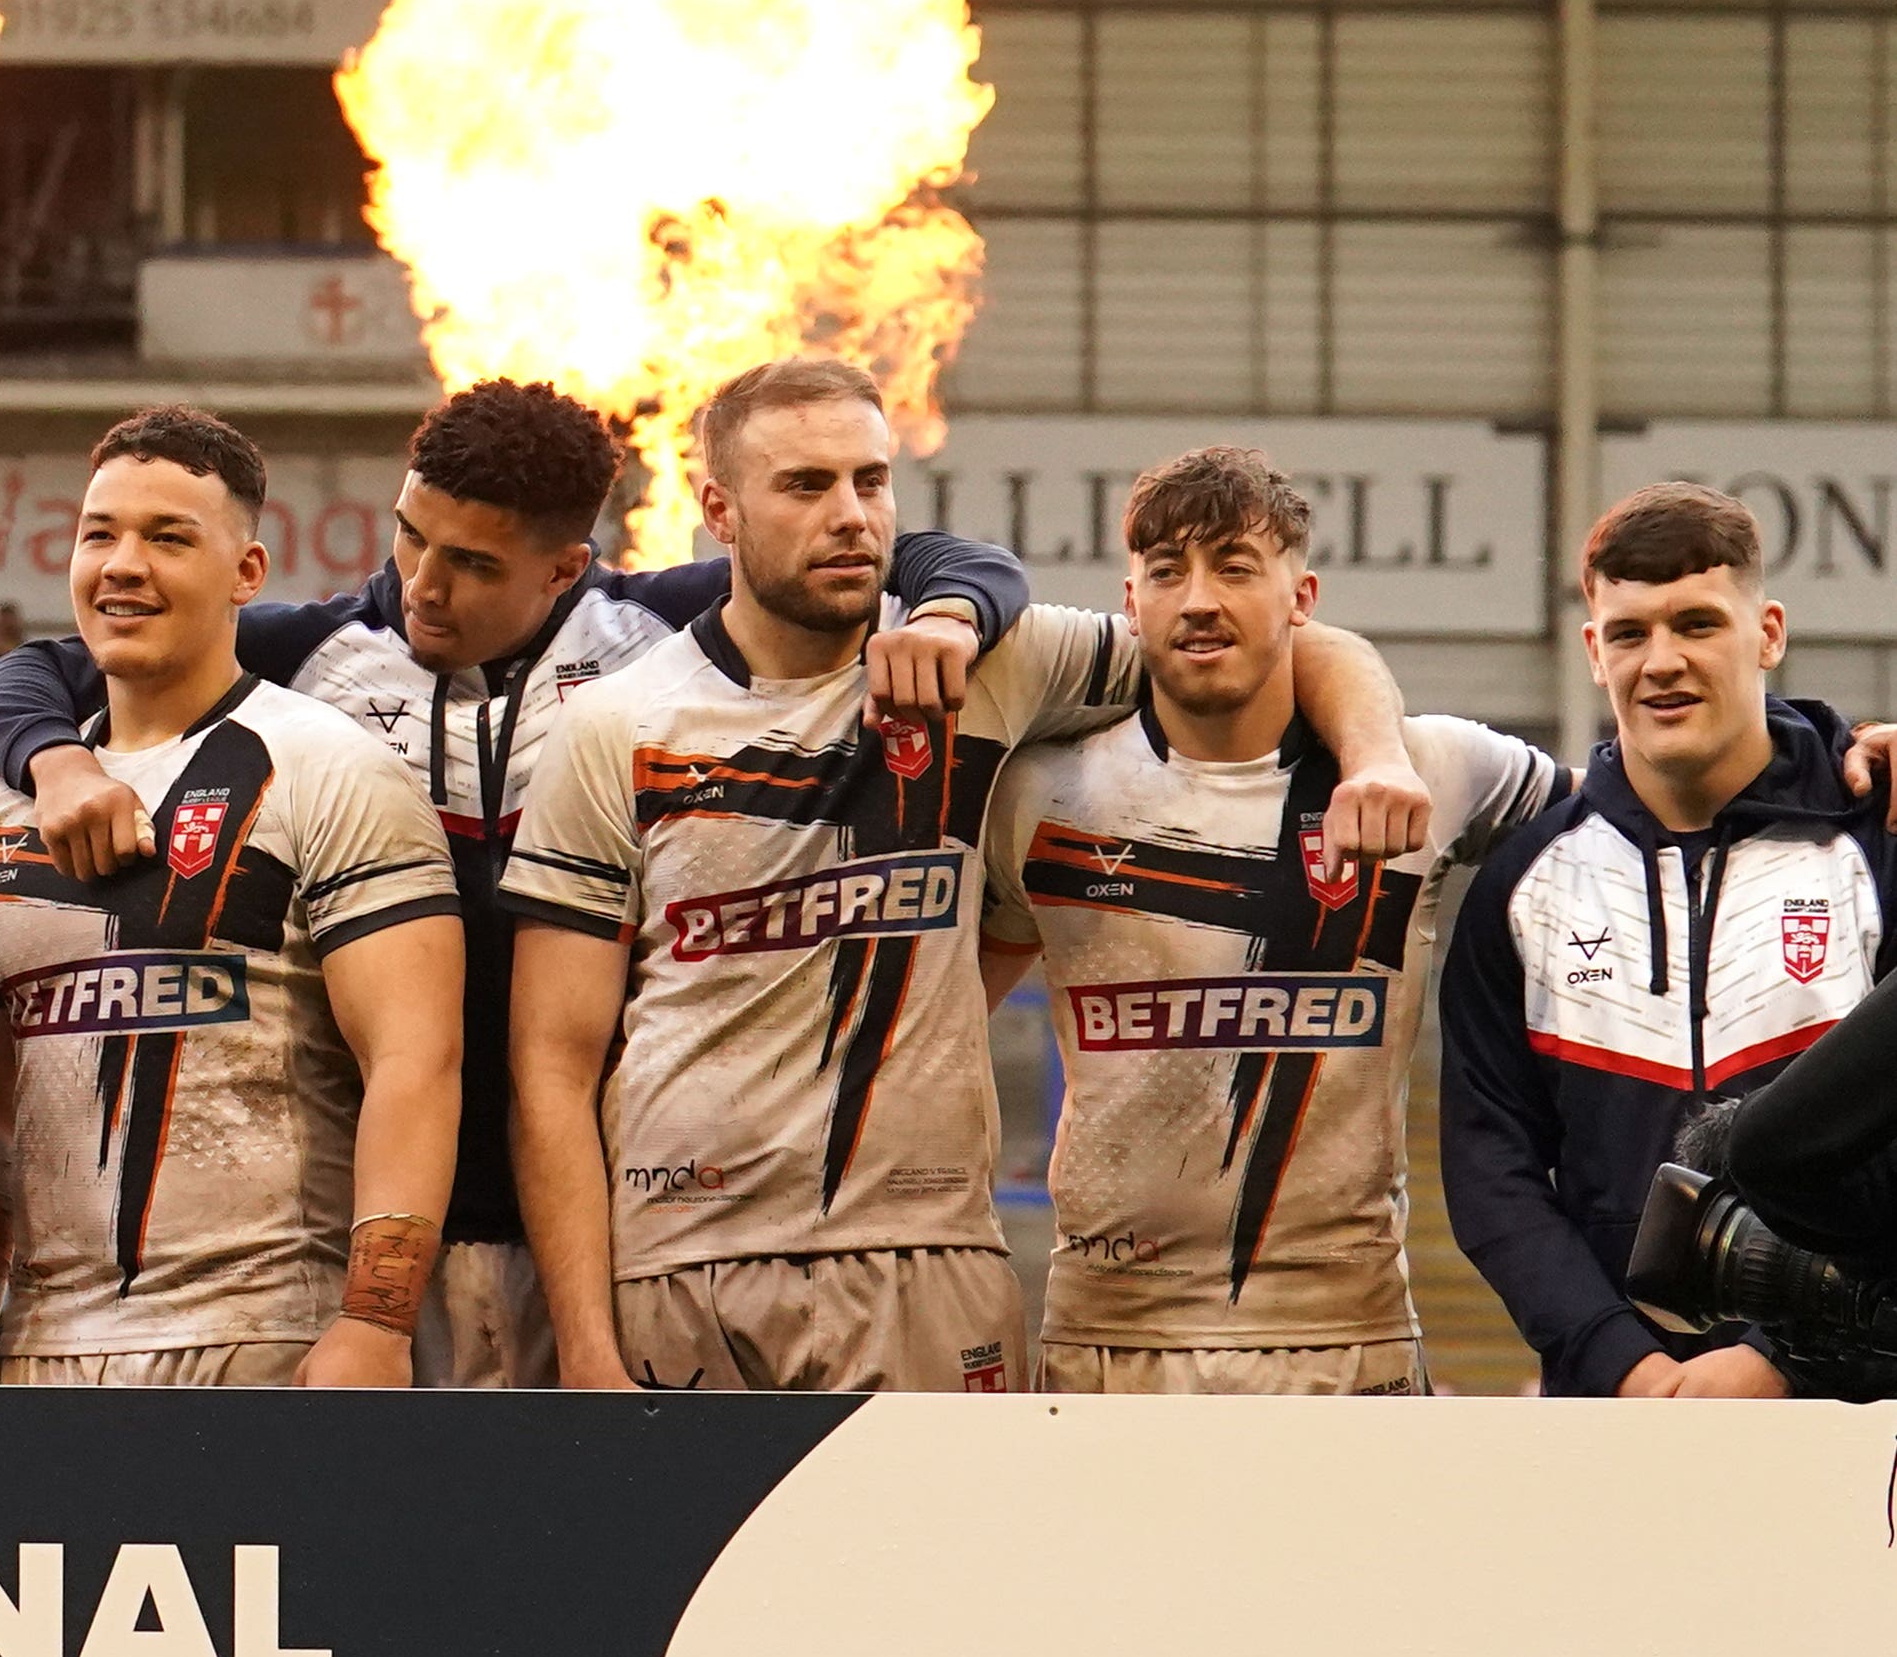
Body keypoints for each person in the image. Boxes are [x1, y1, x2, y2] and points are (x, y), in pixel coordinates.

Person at [0, 375, 1031, 1384]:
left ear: (563, 567)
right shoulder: (318, 643)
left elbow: (929, 556)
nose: (422, 582)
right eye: (410, 536)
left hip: (600, 1208)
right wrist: (56, 759)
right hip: (375, 1210)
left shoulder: (656, 633)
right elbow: (31, 670)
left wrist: (945, 614)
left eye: (470, 562)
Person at [503, 355, 1427, 1397]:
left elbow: (1269, 643)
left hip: (929, 1258)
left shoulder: (997, 664)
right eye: (805, 486)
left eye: (869, 479)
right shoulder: (613, 725)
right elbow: (550, 1064)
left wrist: (1377, 756)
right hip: (680, 1264)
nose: (851, 515)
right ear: (717, 508)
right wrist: (582, 1341)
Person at [981, 445, 1563, 1393]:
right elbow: (945, 1013)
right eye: (1166, 571)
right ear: (1129, 602)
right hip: (1105, 1346)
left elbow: (1638, 805)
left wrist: (1834, 751)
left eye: (1234, 567)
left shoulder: (1434, 770)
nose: (1198, 598)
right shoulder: (1038, 795)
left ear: (1302, 597)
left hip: (1347, 1343)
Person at [0, 409, 467, 1384]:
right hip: (39, 1350)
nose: (122, 563)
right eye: (99, 532)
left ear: (247, 573)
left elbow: (416, 1059)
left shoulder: (333, 767)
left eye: (168, 536)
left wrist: (379, 1318)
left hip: (270, 1337)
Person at [1443, 482, 1894, 1400]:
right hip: (1614, 1414)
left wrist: (1780, 1354)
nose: (1662, 661)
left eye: (1696, 623)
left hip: (1849, 1406)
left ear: (1765, 632)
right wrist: (1620, 1363)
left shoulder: (1878, 842)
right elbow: (1490, 1167)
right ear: (1590, 651)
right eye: (1629, 632)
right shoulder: (1521, 882)